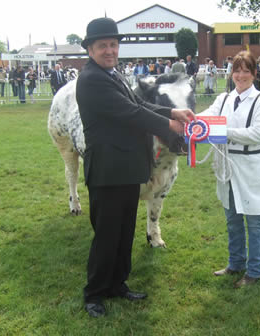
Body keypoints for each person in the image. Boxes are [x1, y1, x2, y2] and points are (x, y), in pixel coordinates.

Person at [76, 17, 196, 318]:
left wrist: (172, 110)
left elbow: (140, 105)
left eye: (113, 45)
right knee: (106, 235)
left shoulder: (112, 74)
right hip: (107, 171)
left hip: (128, 168)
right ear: (90, 49)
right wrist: (169, 123)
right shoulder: (91, 79)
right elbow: (130, 112)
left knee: (124, 231)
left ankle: (118, 283)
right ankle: (94, 294)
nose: (109, 50)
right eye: (102, 45)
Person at [198, 51, 260, 287]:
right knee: (232, 219)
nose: (241, 75)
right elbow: (206, 117)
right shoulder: (223, 99)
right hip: (227, 166)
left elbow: (258, 134)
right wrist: (187, 119)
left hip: (250, 168)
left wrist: (224, 131)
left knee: (254, 221)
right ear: (231, 73)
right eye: (237, 70)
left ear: (254, 74)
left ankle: (254, 272)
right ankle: (236, 263)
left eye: (246, 71)